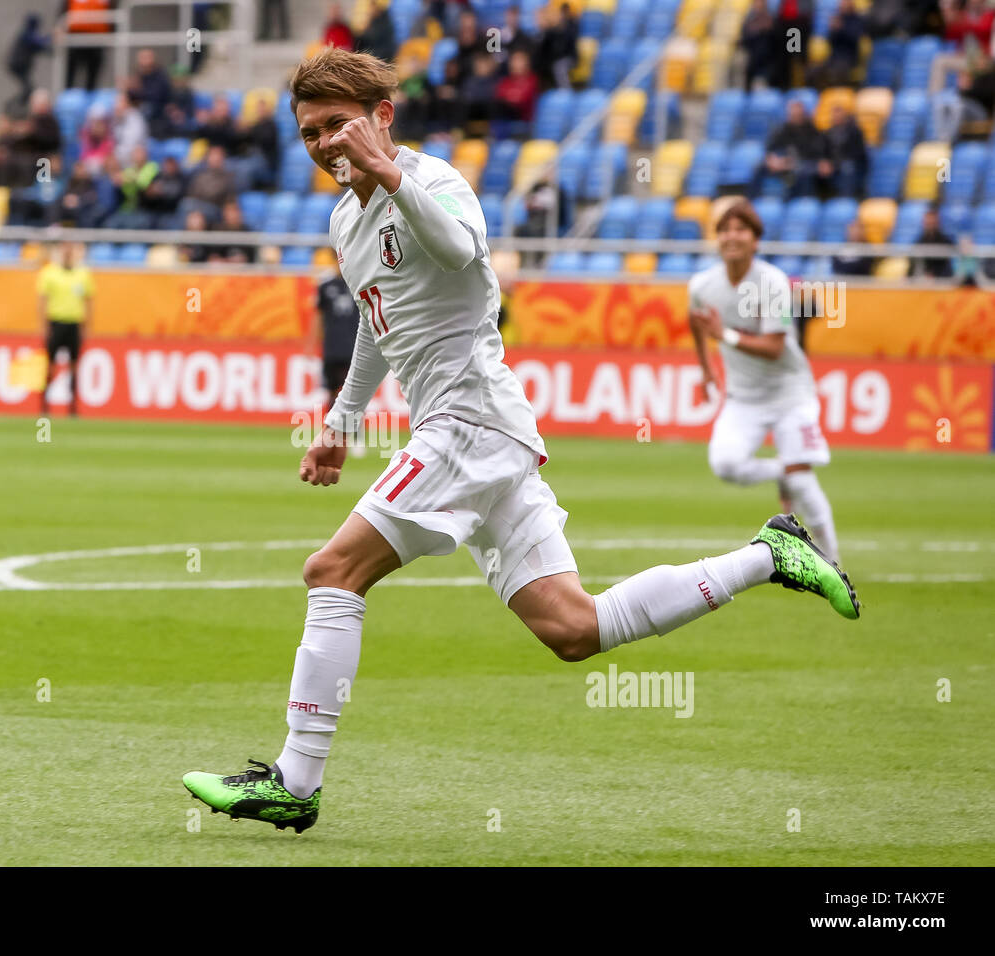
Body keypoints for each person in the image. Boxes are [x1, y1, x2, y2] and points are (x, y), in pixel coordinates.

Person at [182, 49, 860, 833]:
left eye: (339, 125)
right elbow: (378, 326)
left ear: (382, 117)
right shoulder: (345, 221)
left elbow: (465, 253)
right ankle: (770, 555)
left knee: (332, 571)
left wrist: (391, 173)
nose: (326, 143)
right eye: (310, 132)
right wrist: (342, 422)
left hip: (469, 424)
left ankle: (295, 781)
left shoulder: (433, 183)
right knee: (575, 629)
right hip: (478, 434)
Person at [688, 200, 843, 564]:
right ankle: (781, 471)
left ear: (756, 240)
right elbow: (695, 323)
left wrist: (723, 335)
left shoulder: (772, 282)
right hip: (743, 398)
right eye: (725, 229)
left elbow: (774, 348)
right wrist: (705, 368)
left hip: (790, 392)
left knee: (803, 480)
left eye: (741, 229)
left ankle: (834, 565)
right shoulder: (702, 285)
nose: (731, 236)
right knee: (725, 464)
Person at [37, 241, 94, 417]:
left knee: (74, 366)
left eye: (71, 250)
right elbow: (42, 300)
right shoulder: (49, 273)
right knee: (50, 366)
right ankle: (44, 406)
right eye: (65, 250)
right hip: (56, 323)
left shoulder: (83, 274)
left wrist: (87, 325)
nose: (68, 254)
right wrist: (44, 325)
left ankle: (72, 407)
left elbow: (89, 300)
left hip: (74, 323)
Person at [759, 99, 826, 198]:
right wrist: (773, 159)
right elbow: (771, 147)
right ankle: (752, 203)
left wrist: (791, 162)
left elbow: (816, 152)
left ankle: (803, 202)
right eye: (793, 115)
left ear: (803, 113)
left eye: (798, 114)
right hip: (785, 162)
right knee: (760, 168)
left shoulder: (812, 130)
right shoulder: (783, 129)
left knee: (803, 171)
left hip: (805, 162)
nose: (795, 117)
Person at [315, 259, 357, 408]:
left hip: (354, 347)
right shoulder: (326, 286)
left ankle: (355, 428)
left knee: (354, 393)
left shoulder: (358, 284)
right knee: (331, 390)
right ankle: (331, 427)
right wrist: (314, 342)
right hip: (332, 347)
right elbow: (318, 317)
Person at [65, 0, 111, 91]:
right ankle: (69, 92)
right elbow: (65, 8)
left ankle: (90, 92)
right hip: (77, 35)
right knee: (72, 67)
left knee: (93, 68)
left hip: (97, 37)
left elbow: (112, 9)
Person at [7, 13, 50, 110]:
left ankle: (17, 107)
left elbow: (39, 46)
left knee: (29, 89)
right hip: (18, 65)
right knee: (28, 89)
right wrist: (50, 38)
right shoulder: (27, 34)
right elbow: (39, 43)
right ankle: (13, 107)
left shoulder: (28, 34)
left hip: (20, 65)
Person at [912, 206, 955, 278]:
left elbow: (947, 264)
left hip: (942, 279)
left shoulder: (945, 241)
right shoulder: (919, 242)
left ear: (937, 222)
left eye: (933, 222)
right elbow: (914, 264)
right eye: (928, 222)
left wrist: (935, 275)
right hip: (923, 280)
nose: (930, 224)